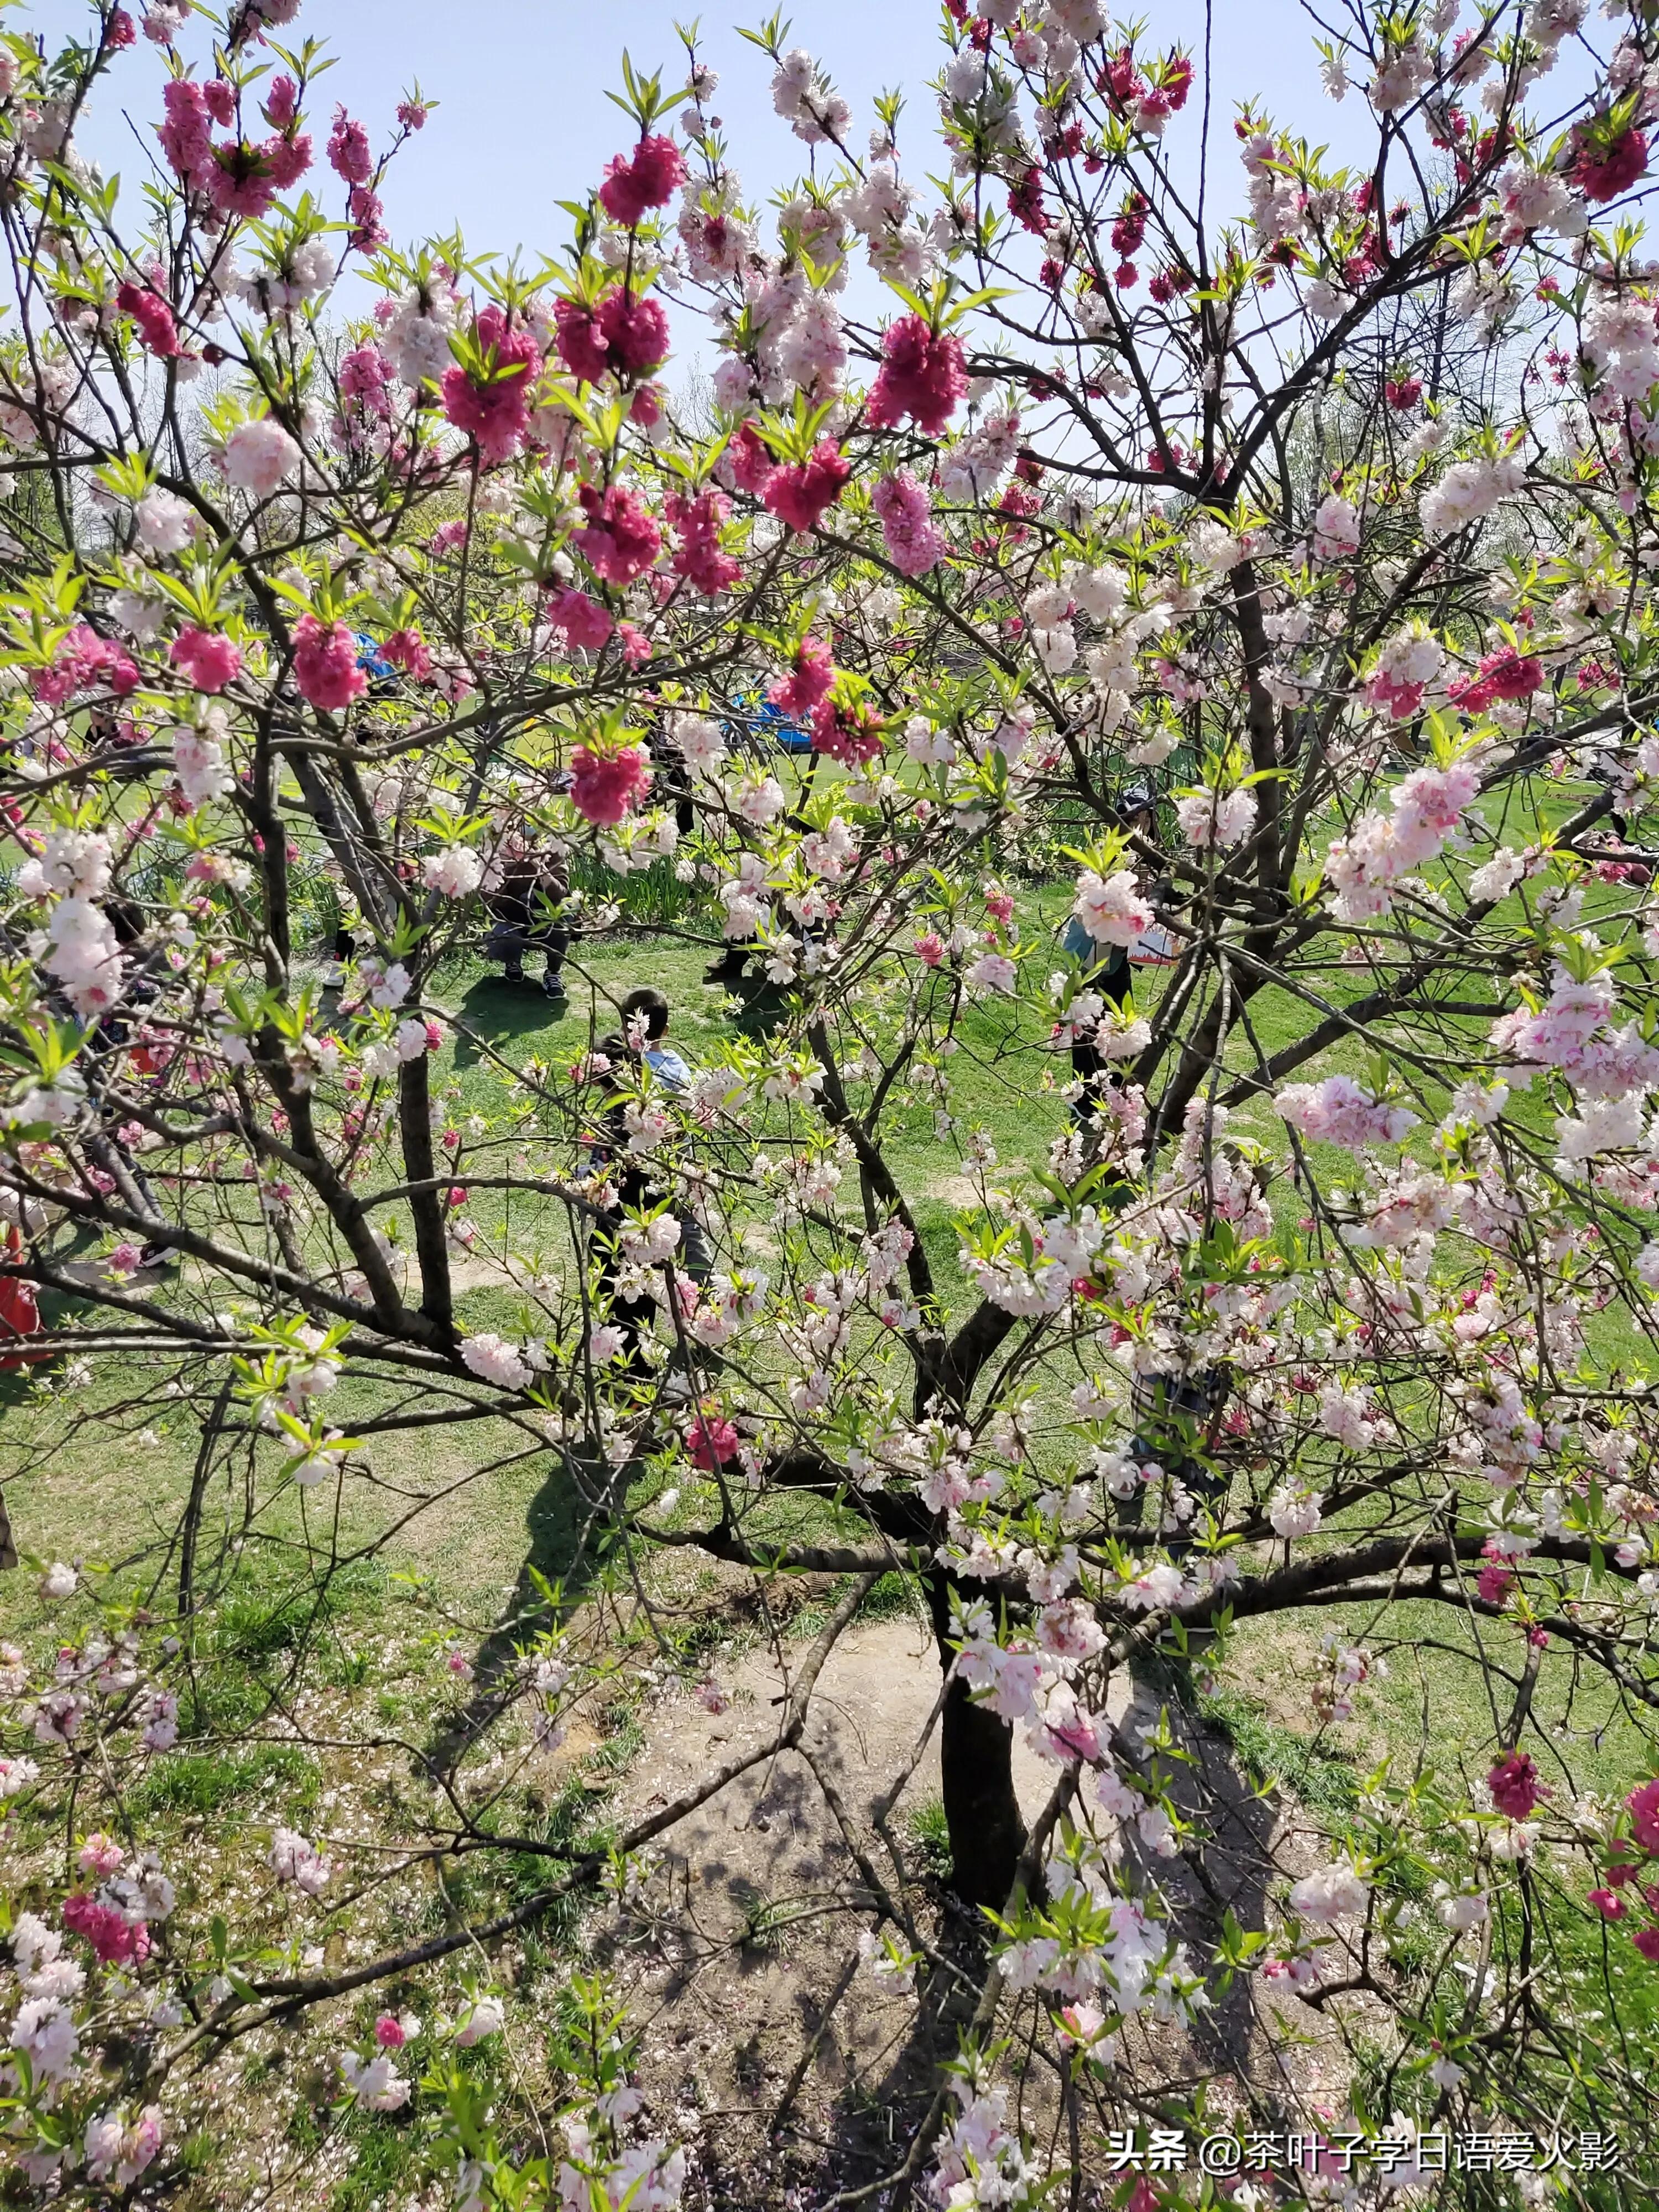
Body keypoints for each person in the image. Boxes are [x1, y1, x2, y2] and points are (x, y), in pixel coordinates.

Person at [482, 838, 570, 1004]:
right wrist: (502, 869)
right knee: (503, 936)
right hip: (508, 916)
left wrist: (540, 867)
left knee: (563, 915)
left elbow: (560, 893)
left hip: (543, 915)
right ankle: (512, 961)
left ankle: (553, 973)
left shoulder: (552, 848)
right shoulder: (498, 851)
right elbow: (492, 901)